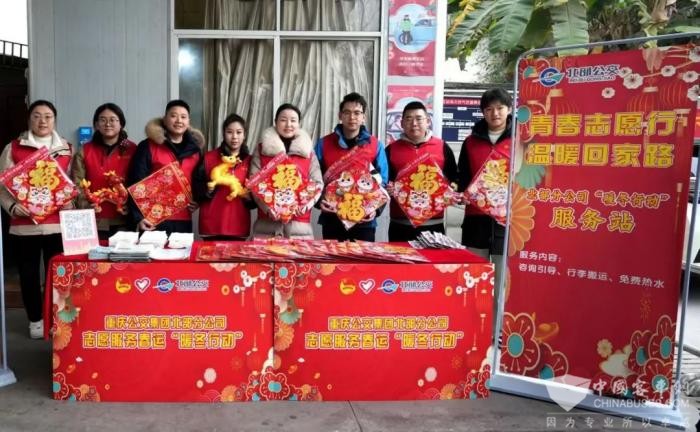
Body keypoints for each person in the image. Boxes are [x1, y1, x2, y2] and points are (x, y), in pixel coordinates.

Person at [0, 100, 73, 339]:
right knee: (28, 274)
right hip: (25, 226)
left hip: (57, 224)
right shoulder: (13, 148)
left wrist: (71, 201)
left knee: (58, 274)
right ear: (29, 119)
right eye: (37, 116)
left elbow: (74, 183)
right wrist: (12, 206)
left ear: (55, 120)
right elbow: (2, 185)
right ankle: (35, 320)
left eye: (48, 116)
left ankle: (55, 318)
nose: (42, 121)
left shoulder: (66, 149)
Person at [457, 88, 512, 324]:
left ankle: (497, 331)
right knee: (474, 278)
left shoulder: (520, 140)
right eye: (489, 109)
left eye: (500, 108)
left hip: (506, 223)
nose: (495, 113)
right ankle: (473, 330)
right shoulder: (470, 143)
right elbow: (462, 178)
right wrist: (461, 194)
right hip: (475, 220)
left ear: (509, 109)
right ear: (482, 112)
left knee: (502, 282)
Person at [315, 92, 388, 242]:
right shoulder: (324, 144)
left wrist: (376, 210)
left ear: (363, 117)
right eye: (347, 112)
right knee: (331, 258)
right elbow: (313, 178)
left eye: (357, 113)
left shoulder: (375, 145)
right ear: (340, 115)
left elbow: (383, 182)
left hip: (364, 219)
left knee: (363, 258)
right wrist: (319, 201)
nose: (352, 117)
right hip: (332, 217)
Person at [127, 99, 203, 234]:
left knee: (182, 249)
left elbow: (199, 181)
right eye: (173, 116)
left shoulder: (196, 151)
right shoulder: (148, 146)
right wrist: (138, 217)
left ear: (188, 121)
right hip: (152, 219)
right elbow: (135, 182)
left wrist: (198, 200)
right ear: (164, 119)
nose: (179, 120)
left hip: (184, 219)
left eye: (183, 117)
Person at [386, 101, 458, 242]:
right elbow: (384, 182)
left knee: (432, 258)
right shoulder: (391, 149)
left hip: (434, 223)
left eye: (419, 118)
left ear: (428, 121)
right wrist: (388, 188)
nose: (414, 123)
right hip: (400, 224)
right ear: (401, 123)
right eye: (408, 119)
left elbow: (454, 178)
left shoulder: (442, 147)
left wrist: (452, 189)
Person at [249, 103, 323, 239]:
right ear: (275, 122)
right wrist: (268, 208)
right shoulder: (262, 150)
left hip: (300, 228)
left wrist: (305, 205)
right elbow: (254, 182)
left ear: (299, 124)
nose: (288, 124)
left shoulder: (308, 152)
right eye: (283, 120)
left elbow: (317, 183)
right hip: (267, 226)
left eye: (293, 120)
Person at [72, 103, 137, 238]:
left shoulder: (133, 149)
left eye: (113, 120)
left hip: (124, 220)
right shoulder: (85, 150)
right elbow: (76, 183)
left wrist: (131, 205)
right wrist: (86, 205)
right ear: (96, 125)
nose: (108, 124)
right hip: (93, 220)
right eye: (103, 120)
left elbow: (140, 182)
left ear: (121, 124)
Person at [193, 113, 254, 240]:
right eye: (229, 132)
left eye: (239, 132)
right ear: (223, 134)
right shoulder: (208, 158)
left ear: (244, 135)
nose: (234, 137)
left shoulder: (251, 161)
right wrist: (208, 190)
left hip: (239, 226)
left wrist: (249, 198)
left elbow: (256, 198)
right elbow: (196, 188)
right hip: (211, 226)